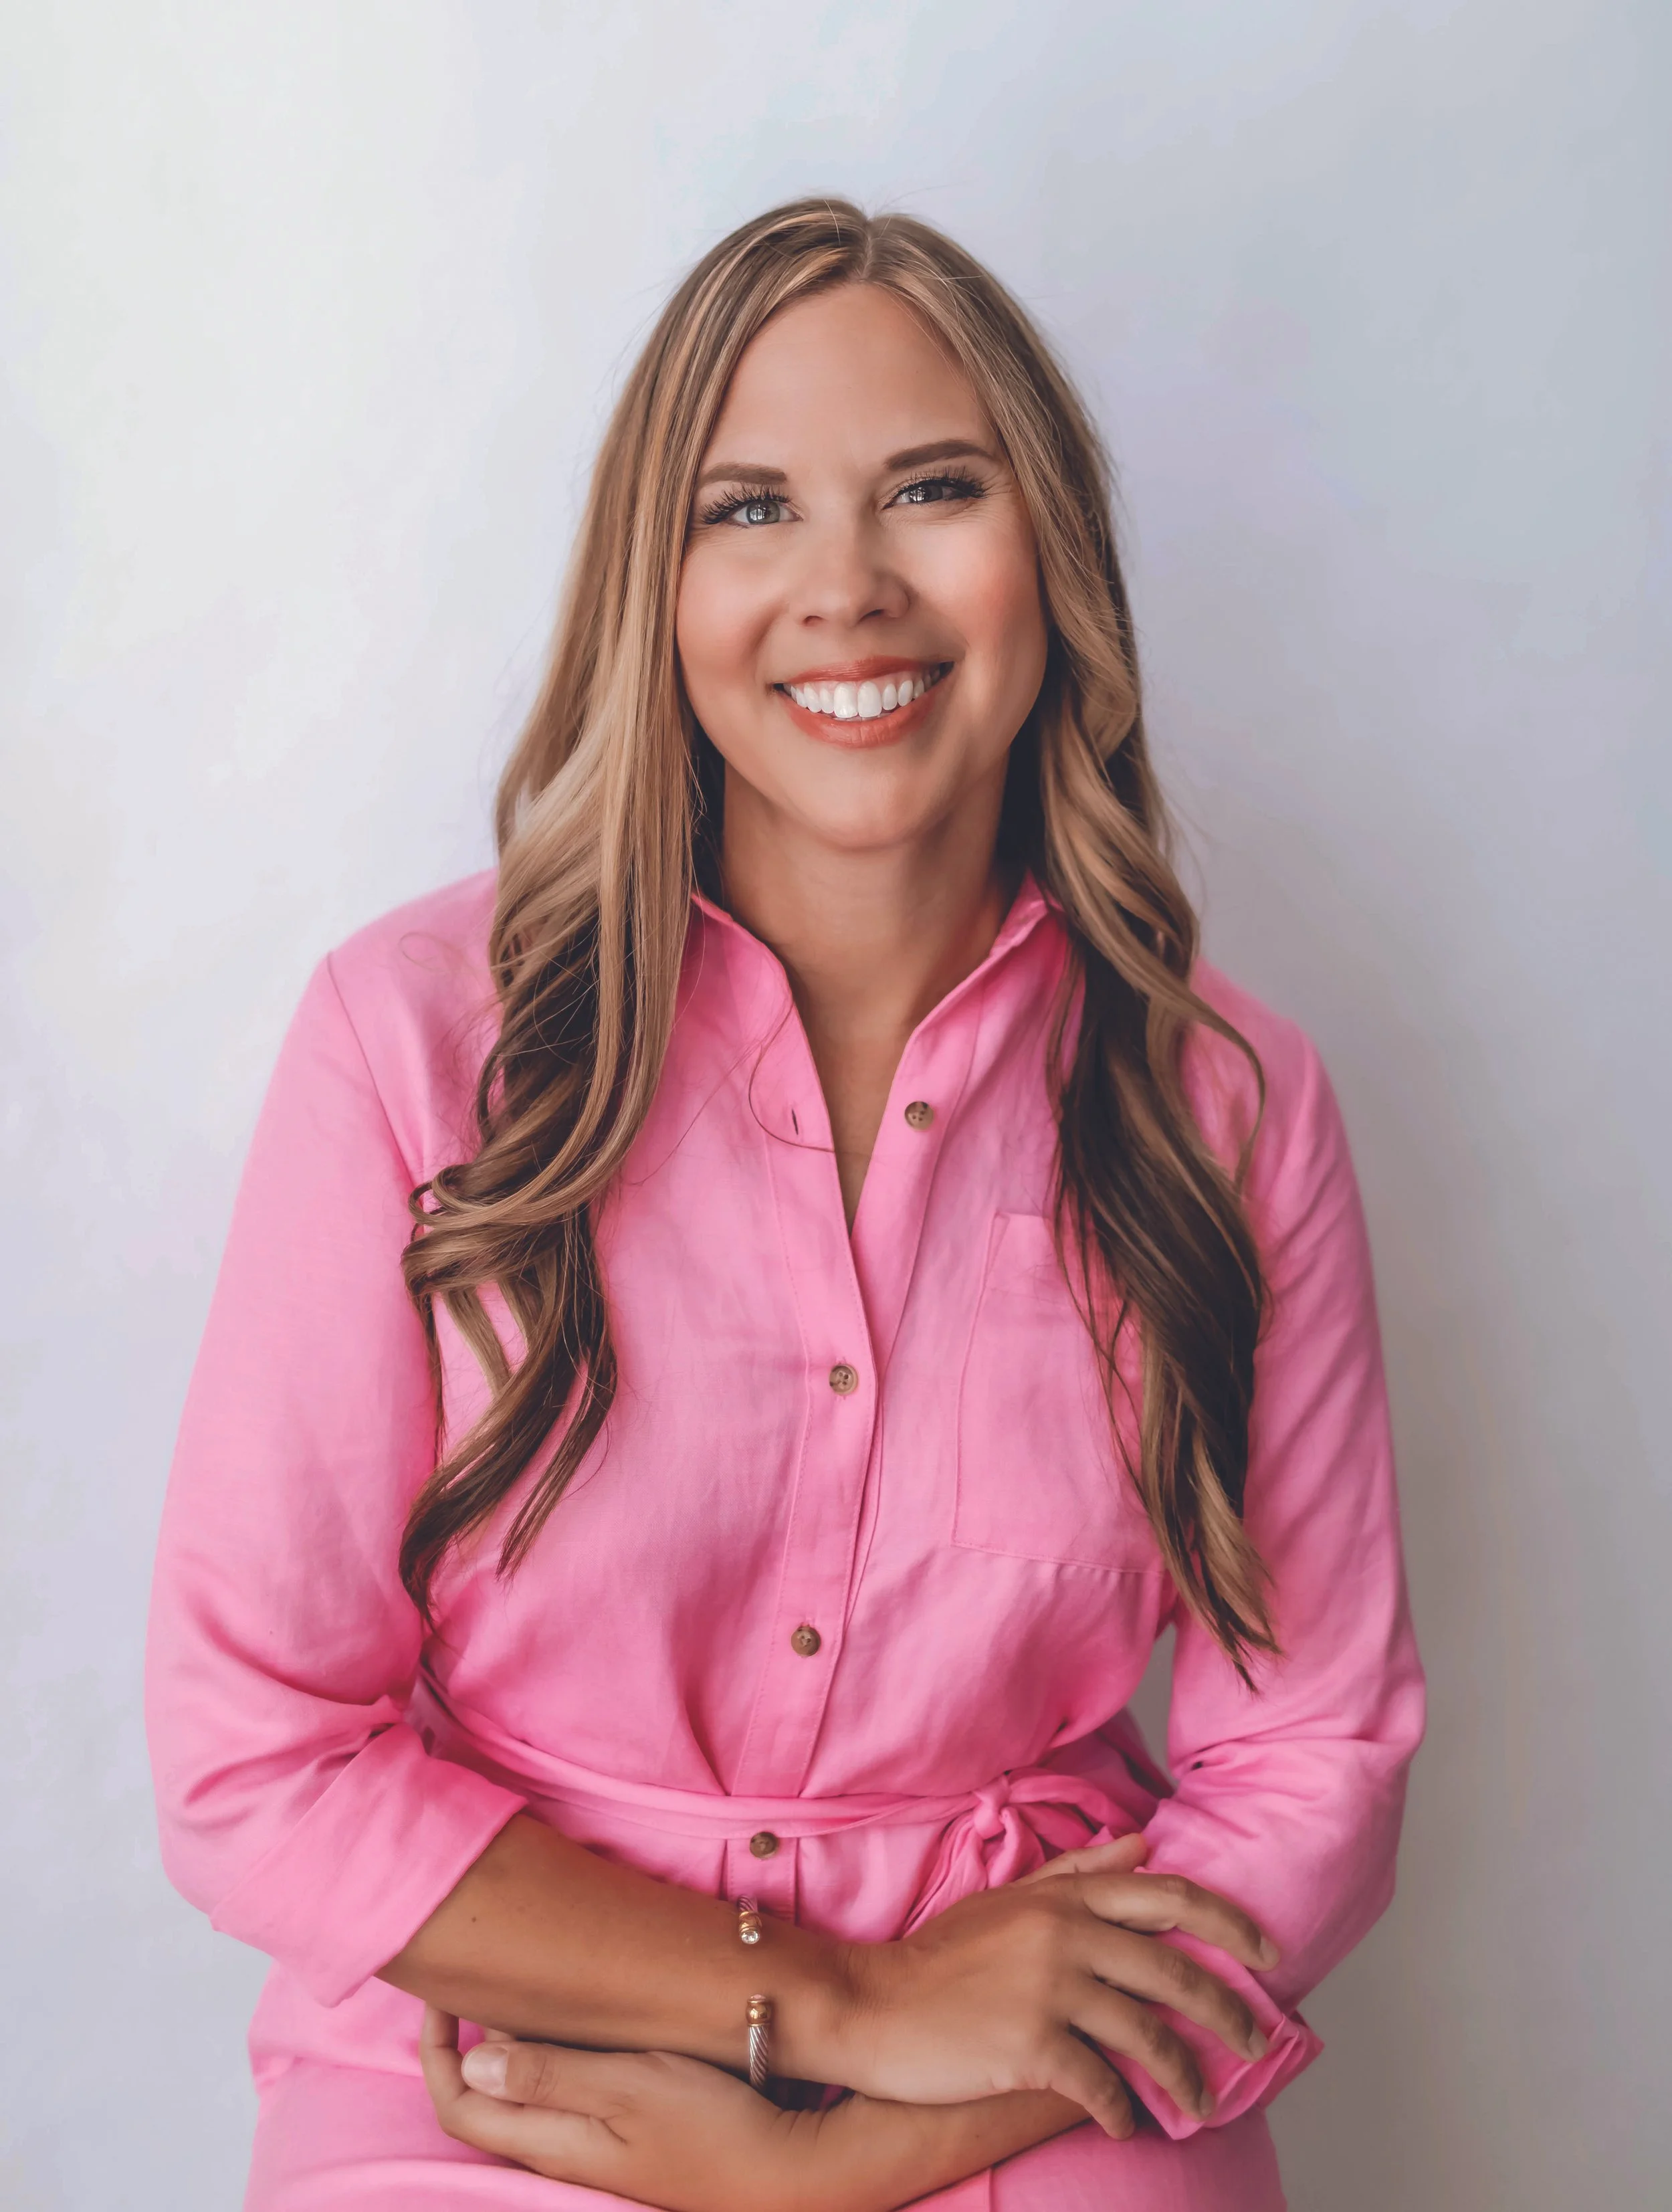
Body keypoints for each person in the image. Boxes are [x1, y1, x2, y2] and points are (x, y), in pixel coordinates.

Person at [146, 199, 1424, 2211]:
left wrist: (858, 2151)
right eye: (748, 512)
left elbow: (1312, 1762)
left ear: (1051, 557)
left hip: (1037, 2061)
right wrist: (819, 2005)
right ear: (653, 591)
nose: (846, 588)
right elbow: (253, 1760)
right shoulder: (407, 1047)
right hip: (506, 2059)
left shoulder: (1226, 1105)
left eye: (929, 489)